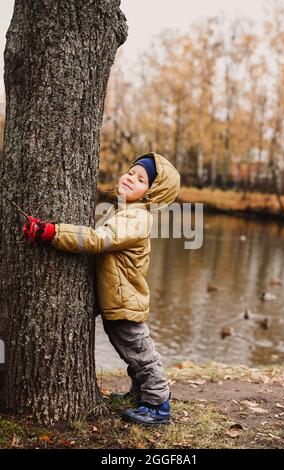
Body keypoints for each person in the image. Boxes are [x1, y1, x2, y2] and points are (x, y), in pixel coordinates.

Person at [22, 152, 180, 426]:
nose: (131, 178)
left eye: (141, 179)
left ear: (150, 194)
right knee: (131, 352)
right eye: (131, 172)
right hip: (119, 298)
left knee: (141, 354)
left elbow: (97, 240)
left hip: (124, 301)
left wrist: (53, 233)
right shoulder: (127, 212)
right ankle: (141, 393)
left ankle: (158, 405)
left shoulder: (136, 218)